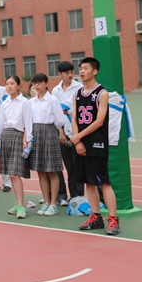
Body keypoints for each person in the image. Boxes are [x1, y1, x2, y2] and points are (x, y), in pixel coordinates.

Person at [72, 57, 119, 235]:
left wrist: (78, 137)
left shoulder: (102, 93)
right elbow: (74, 118)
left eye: (86, 68)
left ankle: (113, 219)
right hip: (81, 144)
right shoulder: (77, 93)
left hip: (96, 144)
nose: (82, 71)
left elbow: (99, 121)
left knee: (103, 182)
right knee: (89, 183)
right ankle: (96, 217)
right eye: (81, 68)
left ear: (95, 71)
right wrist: (77, 141)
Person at [26, 73, 66, 216]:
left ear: (46, 83)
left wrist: (53, 129)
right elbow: (28, 121)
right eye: (34, 83)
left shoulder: (52, 100)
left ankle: (53, 203)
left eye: (39, 82)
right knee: (41, 171)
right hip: (36, 134)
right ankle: (46, 201)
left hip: (49, 133)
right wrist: (29, 138)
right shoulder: (31, 102)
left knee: (51, 170)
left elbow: (60, 120)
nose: (36, 85)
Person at [0, 76, 31, 219]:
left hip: (18, 136)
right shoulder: (5, 103)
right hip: (6, 136)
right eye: (7, 84)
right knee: (10, 173)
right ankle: (18, 202)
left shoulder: (25, 102)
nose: (9, 86)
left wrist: (27, 139)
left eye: (12, 84)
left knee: (15, 173)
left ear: (18, 86)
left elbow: (28, 122)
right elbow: (1, 121)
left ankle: (21, 205)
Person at [52, 61, 85, 204]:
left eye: (72, 72)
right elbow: (56, 113)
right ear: (60, 74)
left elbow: (79, 108)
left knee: (78, 166)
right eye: (67, 73)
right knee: (68, 166)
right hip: (62, 133)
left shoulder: (79, 87)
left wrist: (67, 110)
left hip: (76, 132)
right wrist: (61, 132)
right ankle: (70, 196)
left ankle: (79, 196)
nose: (70, 75)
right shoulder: (56, 91)